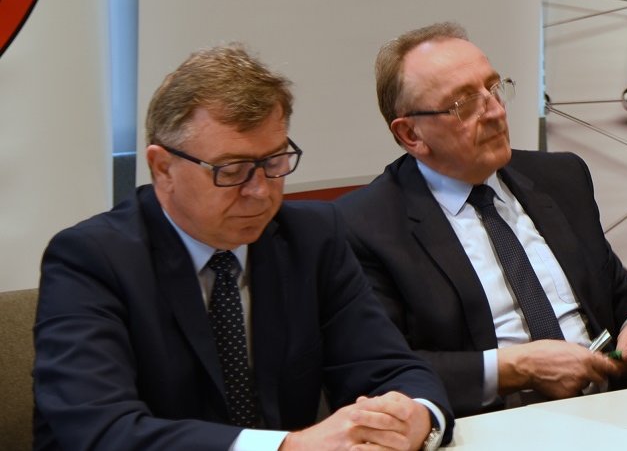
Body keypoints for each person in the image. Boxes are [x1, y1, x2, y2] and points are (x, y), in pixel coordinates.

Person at [34, 44, 450, 451]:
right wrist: (288, 447)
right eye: (231, 170)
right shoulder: (91, 260)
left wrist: (417, 418)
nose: (260, 191)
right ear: (163, 168)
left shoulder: (312, 237)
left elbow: (390, 367)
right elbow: (102, 430)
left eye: (274, 163)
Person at [337, 23, 627, 417]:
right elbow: (379, 369)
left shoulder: (561, 177)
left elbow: (620, 293)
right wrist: (515, 368)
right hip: (497, 422)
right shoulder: (365, 225)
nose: (495, 111)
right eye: (463, 104)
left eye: (493, 89)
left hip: (617, 407)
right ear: (411, 134)